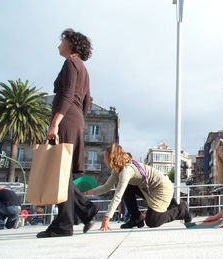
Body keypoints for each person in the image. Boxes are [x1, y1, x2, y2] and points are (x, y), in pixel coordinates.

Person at [36, 29, 99, 238]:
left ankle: (65, 224)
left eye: (62, 40)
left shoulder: (71, 63)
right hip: (75, 119)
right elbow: (87, 100)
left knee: (59, 171)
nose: (59, 44)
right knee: (63, 173)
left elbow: (68, 93)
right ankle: (82, 212)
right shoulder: (84, 69)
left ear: (71, 44)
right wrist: (78, 119)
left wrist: (55, 123)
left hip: (67, 119)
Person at [85, 144, 192, 231]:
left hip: (161, 188)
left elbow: (118, 195)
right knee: (127, 187)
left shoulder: (127, 170)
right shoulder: (118, 169)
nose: (103, 160)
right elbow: (106, 187)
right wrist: (88, 193)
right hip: (147, 188)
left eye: (105, 157)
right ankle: (136, 218)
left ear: (111, 158)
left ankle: (181, 210)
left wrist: (106, 218)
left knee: (153, 222)